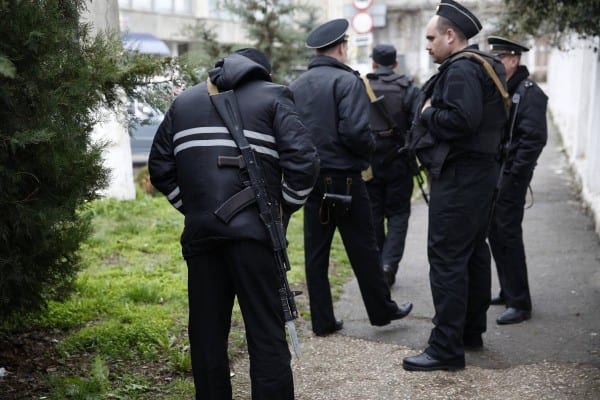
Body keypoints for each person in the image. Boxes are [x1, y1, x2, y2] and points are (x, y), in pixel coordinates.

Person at [148, 48, 319, 400]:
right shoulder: (275, 96)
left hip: (202, 237)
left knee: (207, 337)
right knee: (266, 334)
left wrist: (194, 209)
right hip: (256, 241)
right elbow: (304, 163)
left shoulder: (183, 104)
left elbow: (160, 169)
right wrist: (281, 210)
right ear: (261, 73)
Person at [402, 0, 508, 371]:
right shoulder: (484, 65)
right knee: (473, 254)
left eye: (431, 38)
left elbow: (462, 120)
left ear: (451, 36)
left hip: (462, 178)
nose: (427, 45)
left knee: (447, 259)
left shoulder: (461, 70)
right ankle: (469, 332)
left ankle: (445, 348)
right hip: (479, 175)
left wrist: (429, 112)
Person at [289, 19, 413, 337]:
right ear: (342, 47)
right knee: (364, 248)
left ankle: (322, 320)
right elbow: (356, 132)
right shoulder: (347, 82)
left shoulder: (297, 86)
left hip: (312, 180)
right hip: (345, 178)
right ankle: (381, 311)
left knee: (316, 254)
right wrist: (368, 150)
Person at [487, 36, 548, 325]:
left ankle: (520, 303)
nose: (496, 62)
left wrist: (515, 178)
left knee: (508, 235)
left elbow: (533, 140)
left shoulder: (529, 93)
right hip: (497, 176)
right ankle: (507, 290)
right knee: (496, 234)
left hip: (511, 178)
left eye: (499, 58)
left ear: (513, 60)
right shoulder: (504, 90)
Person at [364, 44, 420, 287]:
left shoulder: (361, 87)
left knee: (374, 215)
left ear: (373, 63)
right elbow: (419, 124)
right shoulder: (408, 88)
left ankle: (378, 266)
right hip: (399, 160)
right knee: (398, 215)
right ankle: (389, 265)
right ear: (395, 63)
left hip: (369, 162)